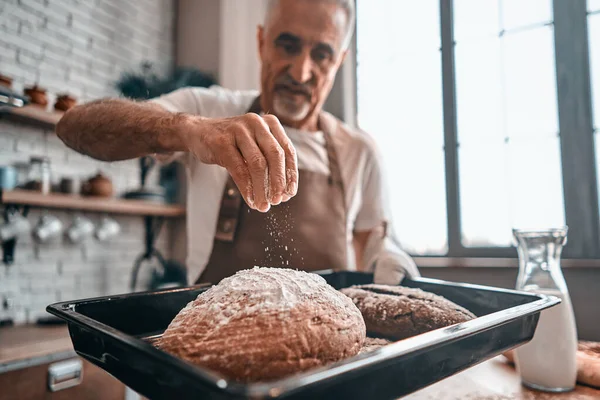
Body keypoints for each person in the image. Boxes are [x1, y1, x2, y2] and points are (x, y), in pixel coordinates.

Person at [56, 0, 419, 285]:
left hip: (328, 364)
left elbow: (371, 241)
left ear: (338, 61)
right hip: (217, 360)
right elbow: (75, 126)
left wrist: (388, 254)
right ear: (262, 42)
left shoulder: (360, 151)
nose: (300, 72)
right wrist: (187, 129)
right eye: (287, 45)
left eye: (321, 54)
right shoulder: (208, 109)